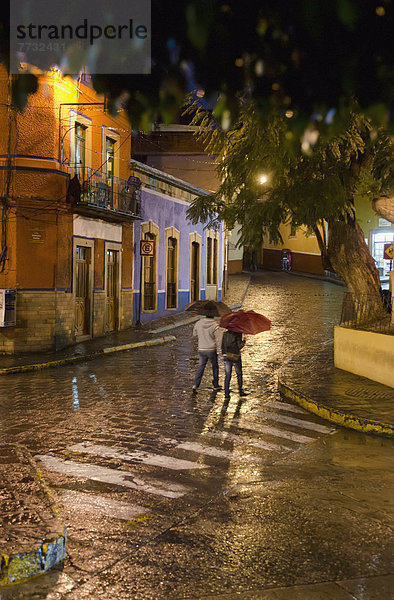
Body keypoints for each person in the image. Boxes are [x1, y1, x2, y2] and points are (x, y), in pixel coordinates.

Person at [192, 315, 222, 393]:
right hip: (211, 349)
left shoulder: (198, 323)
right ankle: (215, 385)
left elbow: (194, 334)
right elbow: (219, 339)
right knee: (215, 367)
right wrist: (220, 349)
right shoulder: (215, 325)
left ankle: (196, 384)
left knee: (201, 367)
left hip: (201, 348)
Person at [221, 329, 249, 399]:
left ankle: (226, 393)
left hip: (227, 356)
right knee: (239, 374)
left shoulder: (225, 334)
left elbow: (222, 345)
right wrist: (244, 341)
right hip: (236, 356)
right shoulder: (238, 333)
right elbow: (239, 346)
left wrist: (224, 354)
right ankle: (240, 391)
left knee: (227, 375)